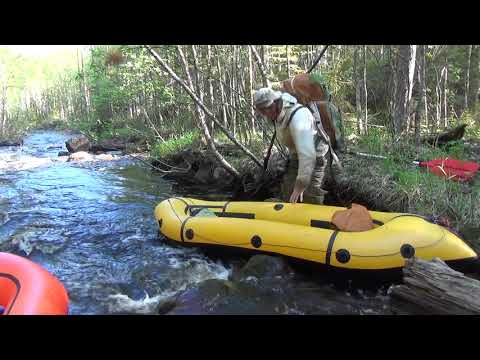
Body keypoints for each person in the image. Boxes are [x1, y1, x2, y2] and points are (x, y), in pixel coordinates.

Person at [253, 87, 331, 204]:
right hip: (296, 157)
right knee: (288, 197)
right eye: (262, 111)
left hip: (316, 157)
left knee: (310, 198)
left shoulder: (298, 117)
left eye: (267, 109)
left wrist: (301, 185)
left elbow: (308, 156)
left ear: (275, 102)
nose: (266, 114)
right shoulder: (276, 113)